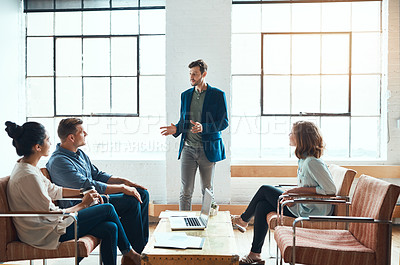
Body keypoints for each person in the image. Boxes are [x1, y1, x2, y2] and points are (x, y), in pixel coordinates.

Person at [5, 121, 140, 265]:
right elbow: (51, 214)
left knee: (110, 228)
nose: (51, 143)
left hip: (48, 226)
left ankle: (129, 255)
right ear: (37, 147)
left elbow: (54, 190)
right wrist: (83, 205)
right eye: (48, 140)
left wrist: (83, 193)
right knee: (107, 209)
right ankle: (131, 254)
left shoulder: (29, 168)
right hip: (44, 233)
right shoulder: (28, 175)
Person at [231, 121, 336, 264]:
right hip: (304, 206)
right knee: (262, 205)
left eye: (292, 133)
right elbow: (311, 187)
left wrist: (298, 191)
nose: (289, 135)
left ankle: (243, 220)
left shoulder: (312, 162)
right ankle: (255, 253)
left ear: (301, 137)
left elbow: (331, 190)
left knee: (265, 189)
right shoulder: (304, 160)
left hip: (313, 212)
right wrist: (295, 193)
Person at [46, 118, 149, 253]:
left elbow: (98, 175)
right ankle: (137, 252)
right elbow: (88, 185)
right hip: (84, 204)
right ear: (71, 137)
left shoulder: (79, 153)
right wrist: (123, 188)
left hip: (95, 198)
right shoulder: (59, 161)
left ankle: (144, 248)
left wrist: (124, 181)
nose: (86, 134)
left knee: (142, 193)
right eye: (82, 132)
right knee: (130, 201)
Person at [160, 59, 229, 211]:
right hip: (188, 149)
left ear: (204, 74)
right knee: (185, 191)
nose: (191, 77)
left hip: (207, 149)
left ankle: (206, 224)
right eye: (190, 73)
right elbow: (184, 122)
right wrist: (176, 129)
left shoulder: (217, 95)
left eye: (195, 74)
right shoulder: (185, 95)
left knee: (207, 189)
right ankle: (184, 224)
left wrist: (203, 127)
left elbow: (223, 122)